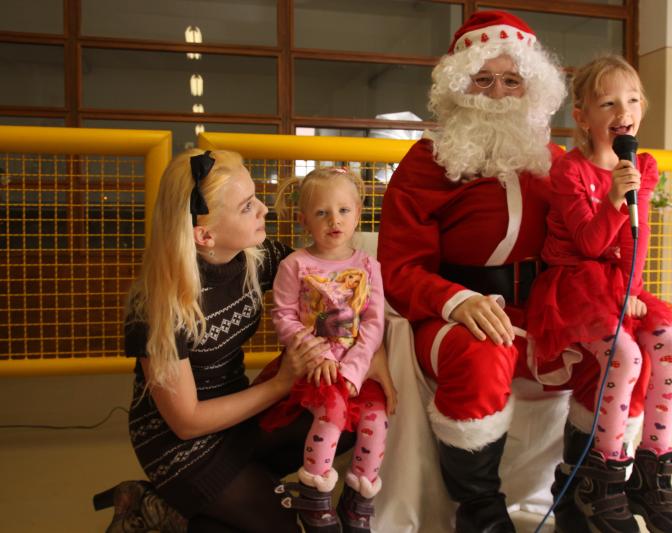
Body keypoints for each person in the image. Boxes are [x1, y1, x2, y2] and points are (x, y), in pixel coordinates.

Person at [93, 149, 396, 533]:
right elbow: (187, 422)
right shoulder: (158, 307)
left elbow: (337, 286)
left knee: (347, 417)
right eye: (247, 206)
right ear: (205, 235)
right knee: (283, 525)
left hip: (241, 411)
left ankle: (200, 503)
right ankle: (160, 504)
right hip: (183, 446)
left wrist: (373, 352)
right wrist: (281, 383)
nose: (264, 210)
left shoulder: (257, 255)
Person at [378, 10, 567, 532]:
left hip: (539, 307)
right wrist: (458, 301)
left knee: (620, 343)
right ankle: (480, 511)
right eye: (483, 80)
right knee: (483, 355)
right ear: (459, 87)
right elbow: (399, 266)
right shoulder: (426, 162)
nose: (498, 94)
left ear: (532, 88)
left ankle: (595, 486)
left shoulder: (551, 160)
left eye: (512, 81)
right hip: (449, 312)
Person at [526, 55, 672, 533]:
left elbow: (637, 242)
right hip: (573, 284)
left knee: (671, 345)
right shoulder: (571, 170)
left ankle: (653, 469)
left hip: (619, 283)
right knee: (624, 355)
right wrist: (616, 198)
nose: (624, 111)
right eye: (608, 103)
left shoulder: (642, 165)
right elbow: (589, 242)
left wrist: (631, 290)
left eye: (633, 100)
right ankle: (604, 476)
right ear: (583, 117)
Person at [256, 167, 388, 533]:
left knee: (377, 422)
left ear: (358, 213)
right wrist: (320, 355)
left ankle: (358, 500)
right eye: (322, 212)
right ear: (304, 220)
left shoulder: (368, 266)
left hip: (357, 368)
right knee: (331, 417)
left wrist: (355, 368)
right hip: (314, 366)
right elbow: (284, 318)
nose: (334, 220)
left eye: (344, 210)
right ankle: (314, 493)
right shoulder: (295, 264)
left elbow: (374, 323)